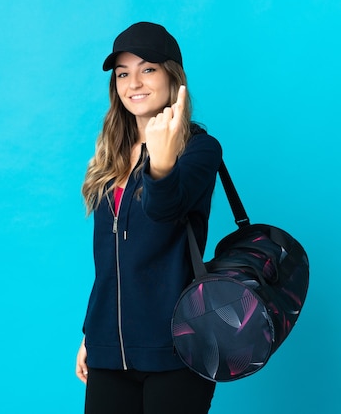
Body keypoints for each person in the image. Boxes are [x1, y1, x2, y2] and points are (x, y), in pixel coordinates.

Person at [76, 21, 222, 414]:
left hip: (177, 346)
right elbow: (107, 262)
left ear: (172, 77)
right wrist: (92, 333)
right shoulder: (110, 156)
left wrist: (160, 160)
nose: (134, 82)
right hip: (110, 348)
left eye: (148, 69)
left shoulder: (200, 150)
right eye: (123, 73)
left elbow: (163, 210)